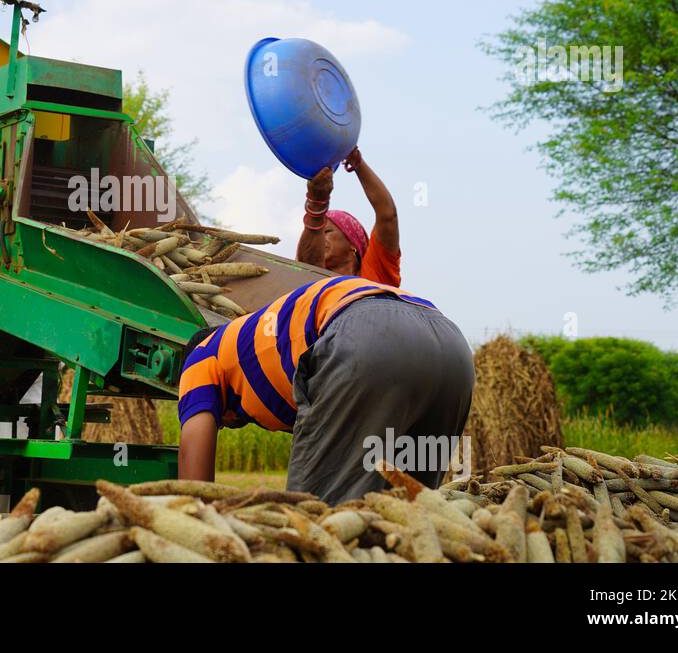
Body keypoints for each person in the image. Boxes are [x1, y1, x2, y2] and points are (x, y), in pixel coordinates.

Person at [176, 275, 474, 505]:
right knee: (410, 512)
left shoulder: (202, 355)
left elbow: (195, 487)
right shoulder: (259, 352)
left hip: (369, 336)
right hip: (452, 349)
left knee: (322, 521)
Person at [296, 147, 400, 286]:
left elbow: (387, 215)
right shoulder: (314, 284)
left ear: (353, 243)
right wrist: (316, 204)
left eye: (327, 231)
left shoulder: (375, 274)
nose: (320, 240)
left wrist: (356, 161)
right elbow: (308, 265)